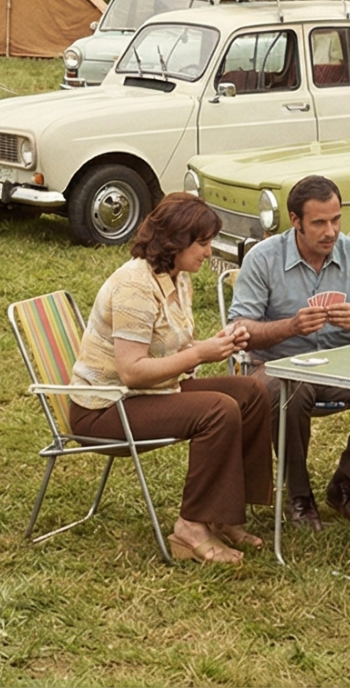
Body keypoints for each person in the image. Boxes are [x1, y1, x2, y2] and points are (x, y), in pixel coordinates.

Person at [66, 193, 274, 564]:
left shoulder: (177, 278)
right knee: (218, 409)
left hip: (150, 393)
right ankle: (191, 527)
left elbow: (171, 346)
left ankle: (225, 514)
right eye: (203, 243)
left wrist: (215, 344)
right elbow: (132, 371)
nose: (209, 253)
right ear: (175, 241)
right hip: (105, 409)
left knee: (251, 392)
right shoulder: (135, 286)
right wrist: (198, 355)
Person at [223, 175, 350, 531]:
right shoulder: (264, 258)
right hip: (276, 365)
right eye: (319, 222)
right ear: (296, 221)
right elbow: (239, 331)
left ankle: (345, 483)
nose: (330, 231)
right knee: (291, 388)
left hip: (341, 365)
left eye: (336, 220)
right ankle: (299, 494)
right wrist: (291, 326)